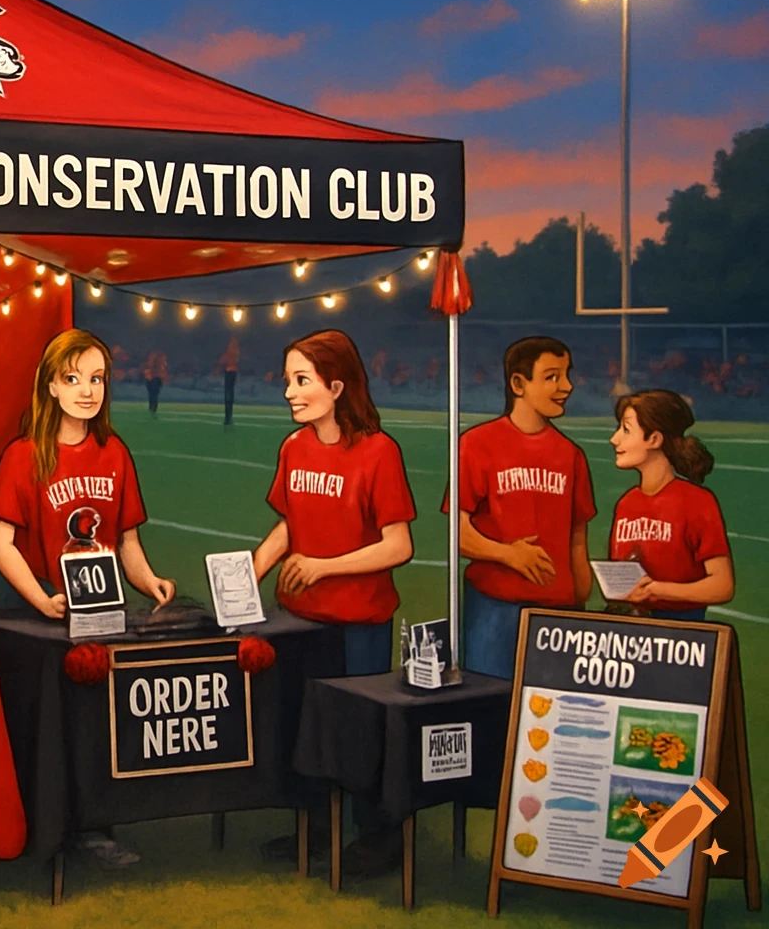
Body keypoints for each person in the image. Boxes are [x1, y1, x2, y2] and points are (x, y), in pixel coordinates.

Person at [0, 328, 176, 869]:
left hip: (104, 616)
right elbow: (2, 543)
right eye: (73, 379)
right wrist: (42, 599)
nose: (87, 391)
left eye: (96, 379)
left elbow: (126, 542)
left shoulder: (113, 452)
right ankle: (46, 829)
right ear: (51, 385)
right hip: (44, 621)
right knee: (53, 729)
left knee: (101, 726)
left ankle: (97, 829)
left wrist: (151, 582)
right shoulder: (24, 456)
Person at [250, 329, 416, 875]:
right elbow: (288, 523)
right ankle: (318, 827)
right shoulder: (293, 448)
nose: (289, 393)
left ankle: (379, 836)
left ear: (337, 385)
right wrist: (250, 571)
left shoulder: (378, 451)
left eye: (301, 381)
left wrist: (324, 565)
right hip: (299, 621)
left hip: (358, 623)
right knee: (304, 727)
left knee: (361, 731)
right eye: (288, 381)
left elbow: (399, 544)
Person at [450, 337, 596, 680]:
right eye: (552, 377)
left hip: (557, 612)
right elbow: (457, 531)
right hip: (495, 606)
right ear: (518, 383)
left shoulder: (570, 454)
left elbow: (578, 535)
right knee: (490, 706)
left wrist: (580, 601)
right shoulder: (477, 444)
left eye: (565, 376)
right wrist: (508, 555)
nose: (566, 387)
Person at [609, 390, 733, 620]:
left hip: (681, 637)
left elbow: (722, 585)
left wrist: (659, 590)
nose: (614, 439)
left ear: (654, 439)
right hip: (631, 633)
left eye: (626, 430)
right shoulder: (626, 504)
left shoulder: (697, 501)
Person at [219, 337, 240, 426]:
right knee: (230, 394)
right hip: (232, 372)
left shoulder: (231, 353)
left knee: (228, 394)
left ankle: (227, 417)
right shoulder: (236, 353)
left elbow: (222, 362)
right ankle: (228, 417)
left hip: (229, 372)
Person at [142, 349, 167, 416]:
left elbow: (162, 370)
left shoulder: (158, 362)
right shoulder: (151, 363)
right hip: (152, 378)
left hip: (154, 378)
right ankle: (152, 408)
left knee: (153, 395)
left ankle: (152, 408)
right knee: (153, 395)